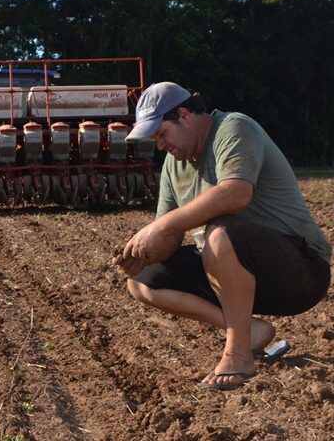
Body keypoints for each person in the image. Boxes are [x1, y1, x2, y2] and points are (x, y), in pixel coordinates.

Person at [113, 82, 331, 391]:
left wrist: (158, 228)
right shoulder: (174, 167)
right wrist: (145, 254)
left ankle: (239, 355)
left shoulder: (233, 127)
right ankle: (249, 331)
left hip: (300, 270)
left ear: (184, 114)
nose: (159, 145)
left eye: (161, 133)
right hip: (234, 275)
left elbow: (235, 194)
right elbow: (171, 237)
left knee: (219, 235)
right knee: (144, 280)